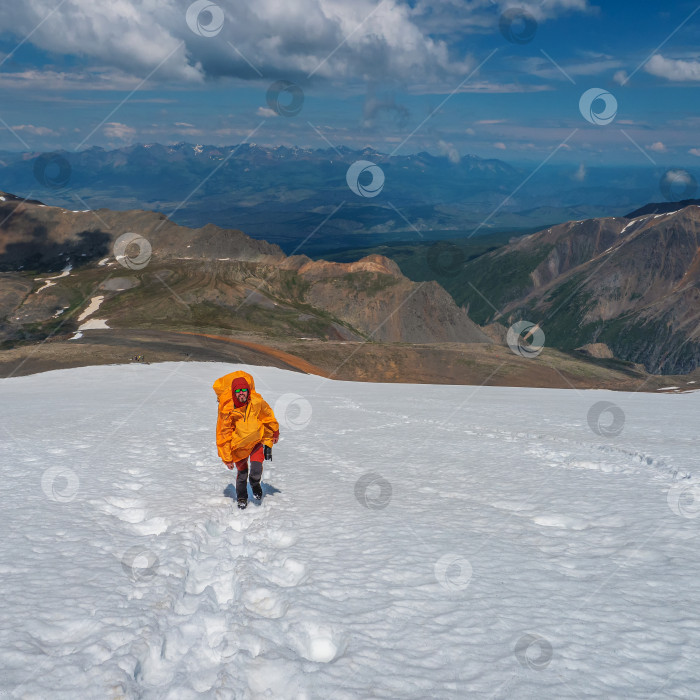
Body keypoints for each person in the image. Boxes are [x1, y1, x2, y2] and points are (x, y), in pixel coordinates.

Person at [213, 370, 279, 509]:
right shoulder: (227, 410)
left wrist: (274, 430)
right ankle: (242, 496)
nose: (241, 393)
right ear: (233, 392)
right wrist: (227, 458)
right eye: (238, 391)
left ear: (248, 391)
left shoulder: (256, 402)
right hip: (238, 447)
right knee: (242, 474)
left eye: (244, 390)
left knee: (256, 469)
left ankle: (255, 484)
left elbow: (267, 416)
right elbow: (223, 434)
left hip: (256, 443)